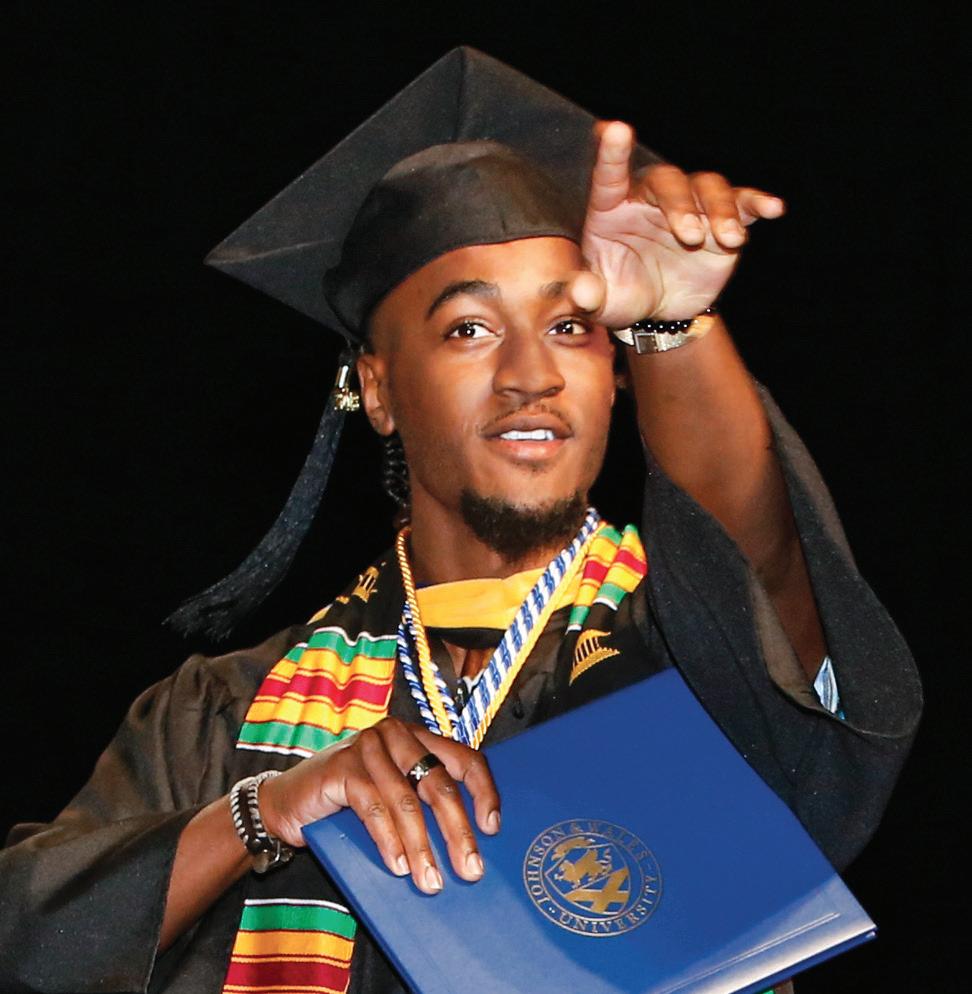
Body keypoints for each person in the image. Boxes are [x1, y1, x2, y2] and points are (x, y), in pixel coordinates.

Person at [0, 48, 921, 994]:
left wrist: (672, 329)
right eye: (468, 330)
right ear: (377, 388)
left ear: (614, 371)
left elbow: (759, 578)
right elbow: (26, 943)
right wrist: (262, 814)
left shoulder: (672, 656)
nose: (531, 374)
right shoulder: (220, 716)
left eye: (571, 326)